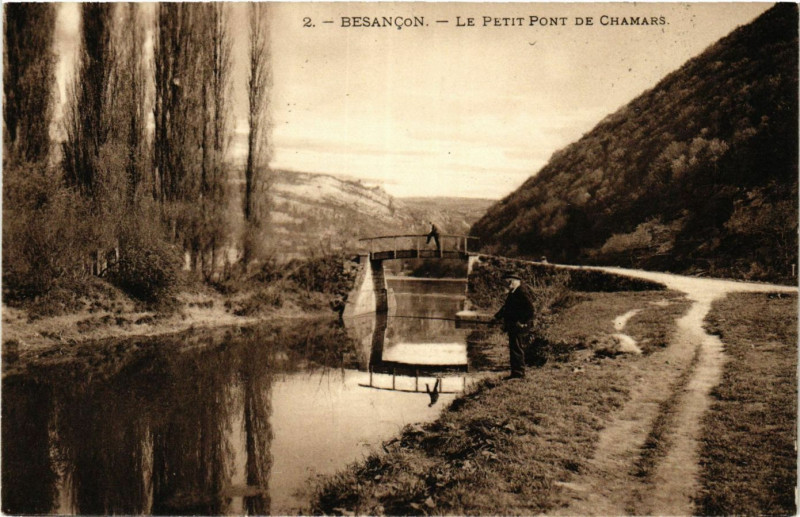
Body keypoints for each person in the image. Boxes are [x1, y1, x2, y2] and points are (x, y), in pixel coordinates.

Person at [494, 273, 534, 379]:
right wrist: (497, 317)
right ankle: (515, 372)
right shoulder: (514, 291)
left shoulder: (521, 291)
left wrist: (522, 321)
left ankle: (519, 373)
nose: (504, 286)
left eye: (505, 284)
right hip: (514, 325)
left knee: (517, 348)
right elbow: (506, 307)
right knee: (514, 348)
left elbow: (530, 309)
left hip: (519, 326)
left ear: (511, 282)